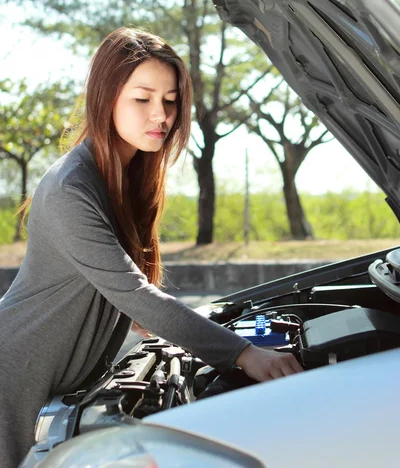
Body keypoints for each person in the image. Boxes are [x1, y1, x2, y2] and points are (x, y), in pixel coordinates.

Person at [0, 27, 303, 467]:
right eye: (142, 99)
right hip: (12, 375)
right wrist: (243, 353)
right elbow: (135, 292)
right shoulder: (70, 187)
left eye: (171, 99)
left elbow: (129, 295)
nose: (160, 114)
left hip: (53, 383)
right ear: (107, 98)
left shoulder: (128, 177)